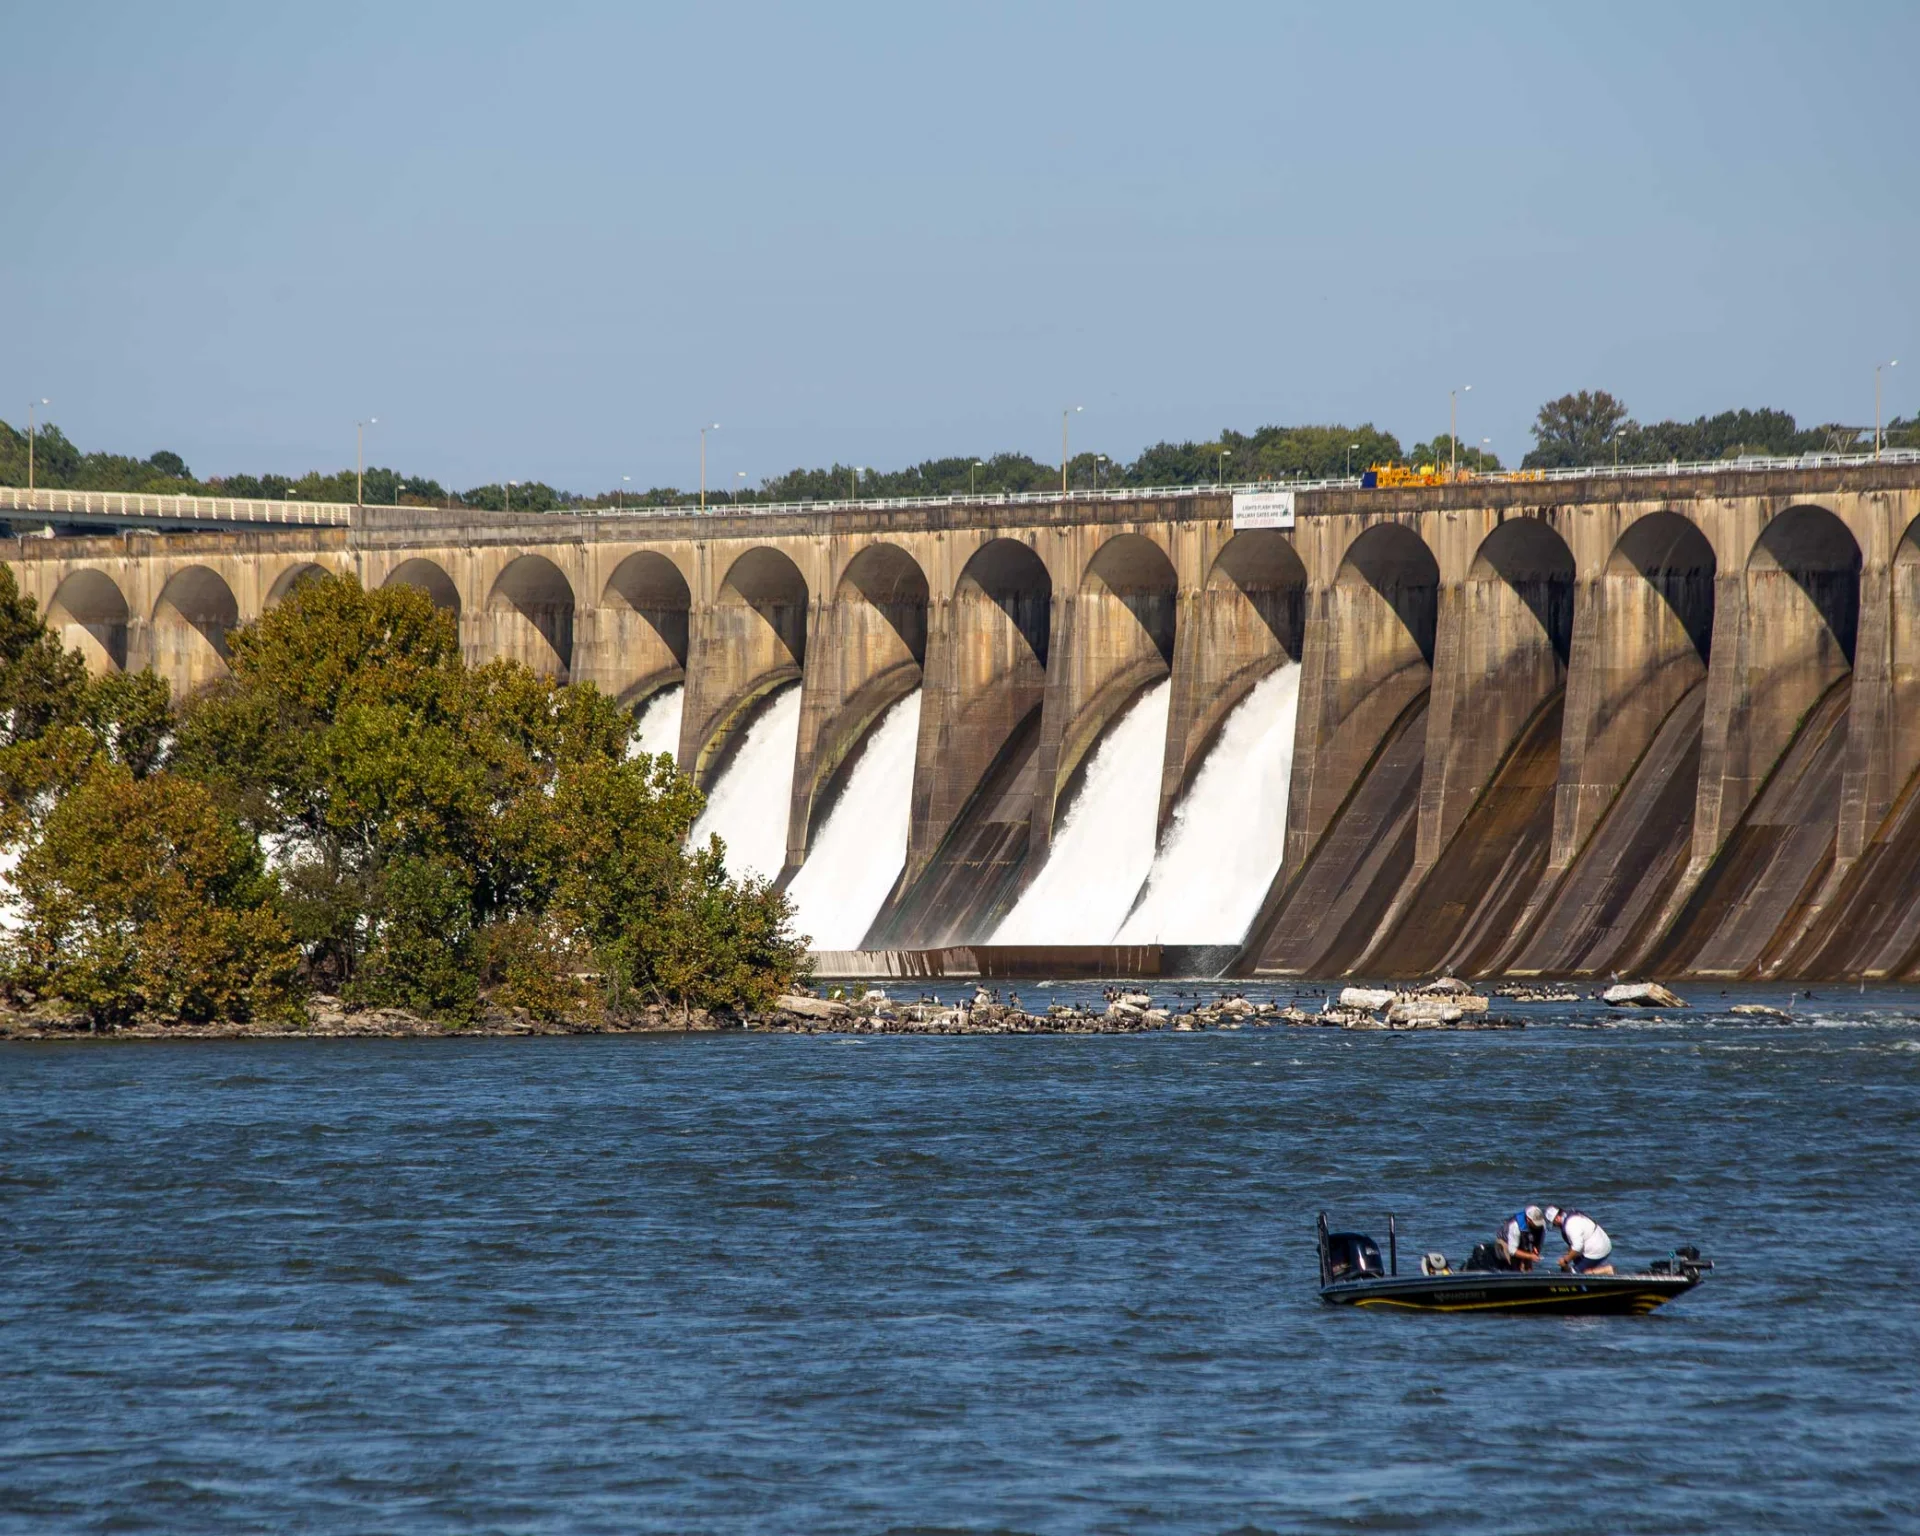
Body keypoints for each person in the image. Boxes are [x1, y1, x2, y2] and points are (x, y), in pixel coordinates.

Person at [1545, 1204, 1614, 1275]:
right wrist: (1567, 1258)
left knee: (1575, 1274)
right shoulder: (1572, 1215)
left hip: (1598, 1249)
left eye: (1554, 1224)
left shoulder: (1570, 1225)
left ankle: (1606, 1270)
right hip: (1602, 1242)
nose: (1555, 1226)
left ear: (1557, 1218)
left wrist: (1565, 1260)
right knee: (1574, 1261)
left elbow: (1577, 1247)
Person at [1495, 1205, 1547, 1271]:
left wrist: (1536, 1248)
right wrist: (1530, 1256)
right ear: (1528, 1219)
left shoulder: (1542, 1223)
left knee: (1527, 1267)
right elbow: (1512, 1250)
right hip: (1505, 1242)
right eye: (1535, 1223)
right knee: (1514, 1267)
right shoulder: (1515, 1226)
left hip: (1523, 1239)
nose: (1538, 1225)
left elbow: (1539, 1241)